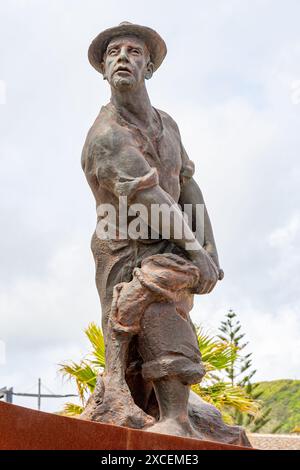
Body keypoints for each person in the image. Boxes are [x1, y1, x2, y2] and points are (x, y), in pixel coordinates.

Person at [81, 22, 224, 437]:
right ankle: (173, 419)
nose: (122, 57)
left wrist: (208, 249)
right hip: (124, 247)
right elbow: (148, 197)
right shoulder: (106, 135)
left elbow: (186, 183)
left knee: (165, 314)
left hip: (171, 238)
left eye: (133, 51)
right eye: (113, 53)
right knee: (145, 314)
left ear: (150, 65)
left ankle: (172, 410)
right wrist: (195, 251)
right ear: (104, 70)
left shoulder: (169, 125)